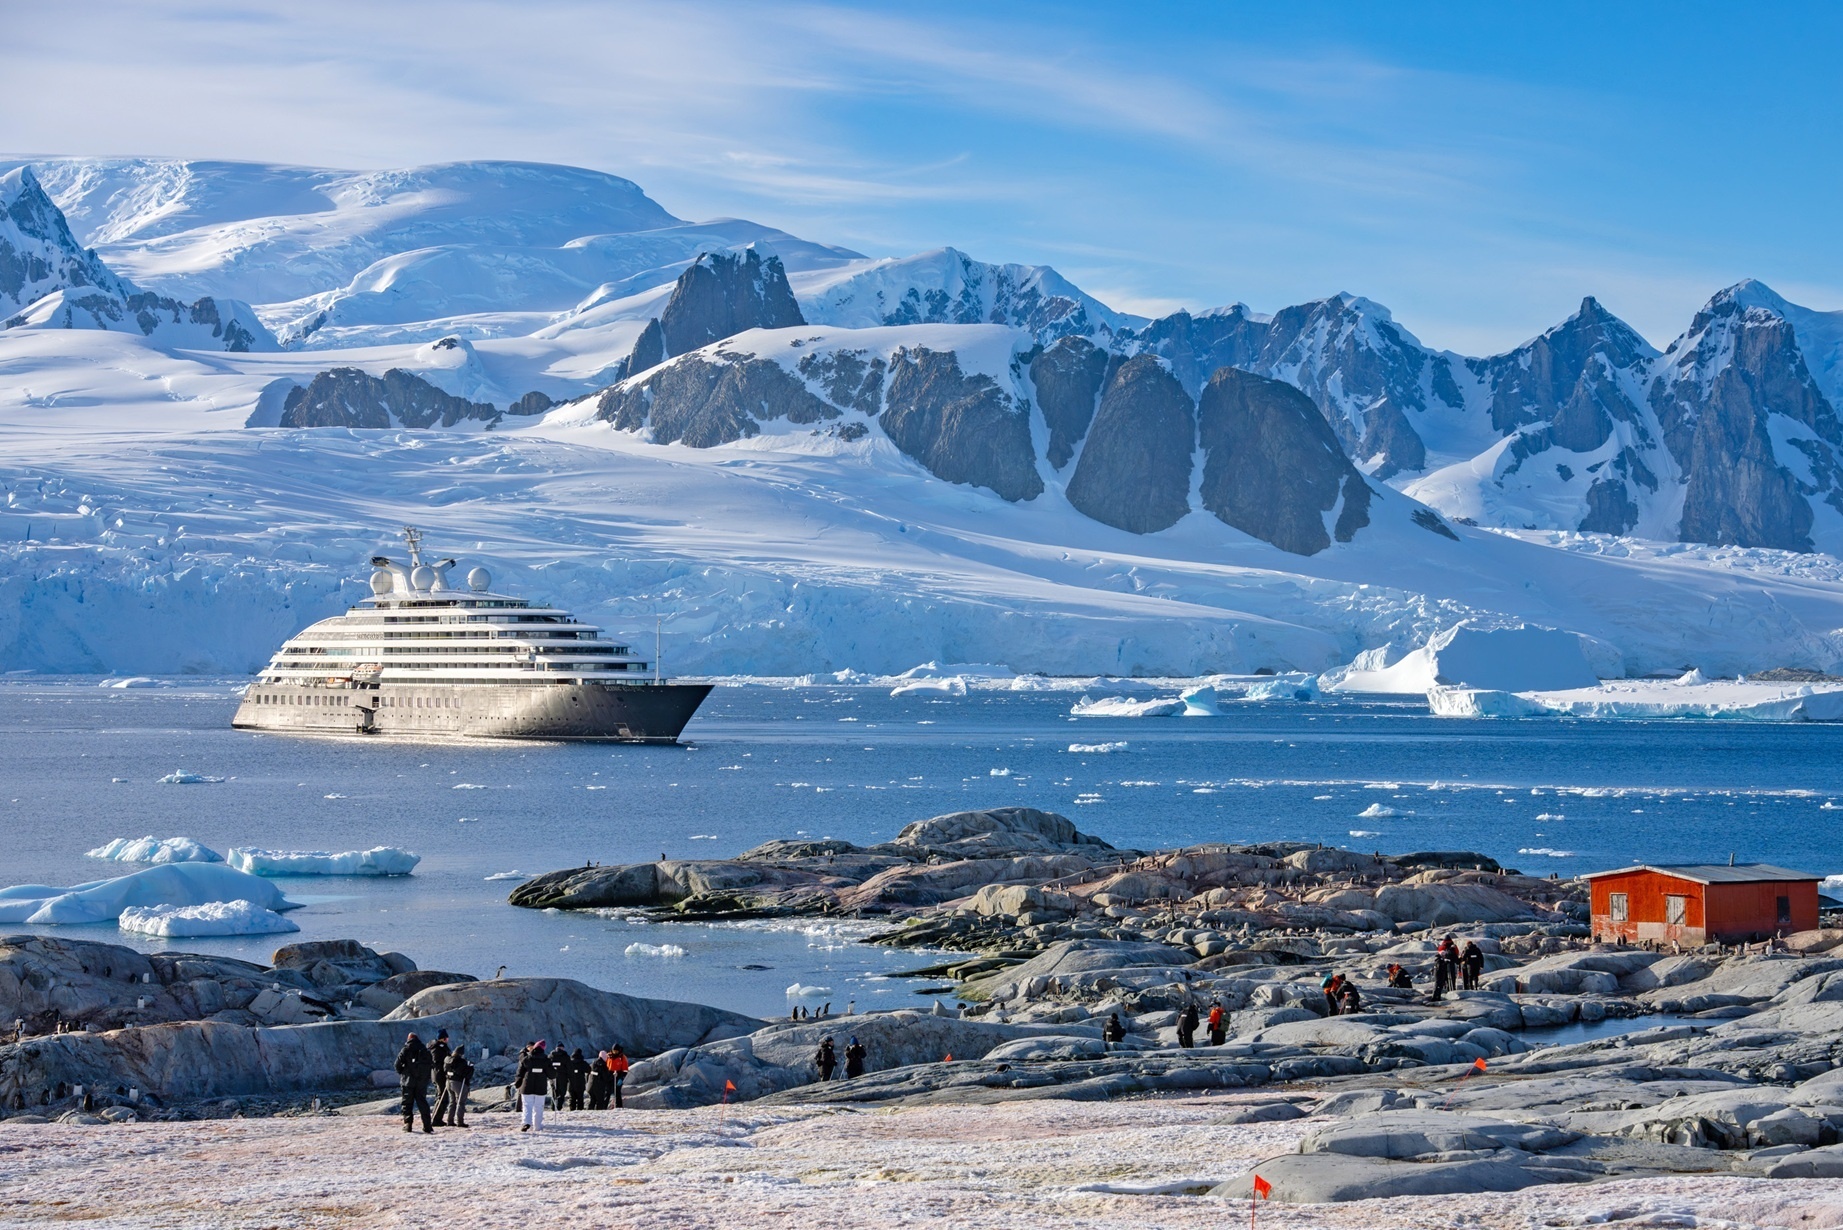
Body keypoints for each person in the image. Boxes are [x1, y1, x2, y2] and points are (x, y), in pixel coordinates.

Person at [394, 1031, 435, 1134]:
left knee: (407, 1103)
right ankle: (427, 1126)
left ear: (408, 1039)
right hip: (421, 1082)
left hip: (408, 1082)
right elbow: (431, 1064)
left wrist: (403, 1073)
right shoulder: (424, 1050)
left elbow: (397, 1064)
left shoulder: (406, 1049)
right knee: (423, 1103)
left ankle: (408, 1124)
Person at [515, 1041, 554, 1133]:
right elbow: (552, 1075)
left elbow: (520, 1072)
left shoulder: (526, 1059)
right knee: (538, 1107)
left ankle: (526, 1123)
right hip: (540, 1087)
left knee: (527, 1105)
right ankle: (537, 1126)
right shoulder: (546, 1060)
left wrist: (518, 1083)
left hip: (527, 1086)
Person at [436, 1044, 473, 1128]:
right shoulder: (461, 1062)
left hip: (448, 1082)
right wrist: (470, 1067)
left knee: (452, 1102)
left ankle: (450, 1121)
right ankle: (460, 1121)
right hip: (459, 1083)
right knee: (460, 1102)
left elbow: (445, 1070)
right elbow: (466, 1074)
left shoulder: (447, 1059)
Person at [428, 1030, 452, 1123]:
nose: (447, 1040)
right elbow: (439, 1062)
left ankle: (437, 1118)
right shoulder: (438, 1048)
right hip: (439, 1075)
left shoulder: (438, 1047)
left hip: (438, 1074)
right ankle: (436, 1119)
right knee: (442, 1096)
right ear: (443, 1038)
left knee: (441, 1096)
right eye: (446, 1038)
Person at [549, 1045, 571, 1110]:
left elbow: (547, 1066)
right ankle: (558, 1107)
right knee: (562, 1093)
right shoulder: (565, 1057)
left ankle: (553, 1107)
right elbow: (569, 1068)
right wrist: (570, 1077)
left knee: (554, 1092)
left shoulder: (551, 1056)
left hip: (553, 1077)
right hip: (562, 1077)